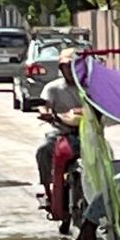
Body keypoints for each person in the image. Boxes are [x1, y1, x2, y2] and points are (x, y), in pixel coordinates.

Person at [35, 48, 84, 205]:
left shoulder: (89, 88)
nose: (70, 70)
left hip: (87, 134)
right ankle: (47, 187)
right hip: (60, 133)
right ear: (61, 69)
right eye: (66, 66)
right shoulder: (53, 88)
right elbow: (44, 105)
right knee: (43, 150)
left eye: (74, 66)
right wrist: (46, 113)